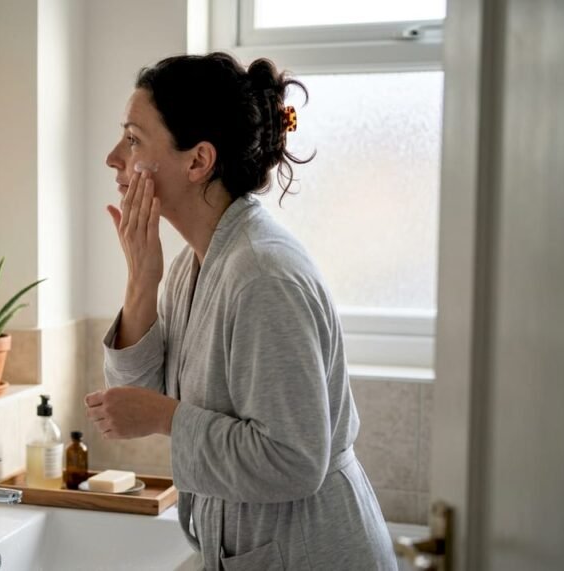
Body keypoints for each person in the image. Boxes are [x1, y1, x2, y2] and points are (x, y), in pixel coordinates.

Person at [84, 52, 397, 570]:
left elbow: (294, 461)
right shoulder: (194, 264)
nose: (114, 157)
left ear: (198, 160)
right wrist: (142, 278)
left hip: (314, 553)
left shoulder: (262, 275)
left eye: (134, 139)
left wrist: (167, 418)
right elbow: (136, 401)